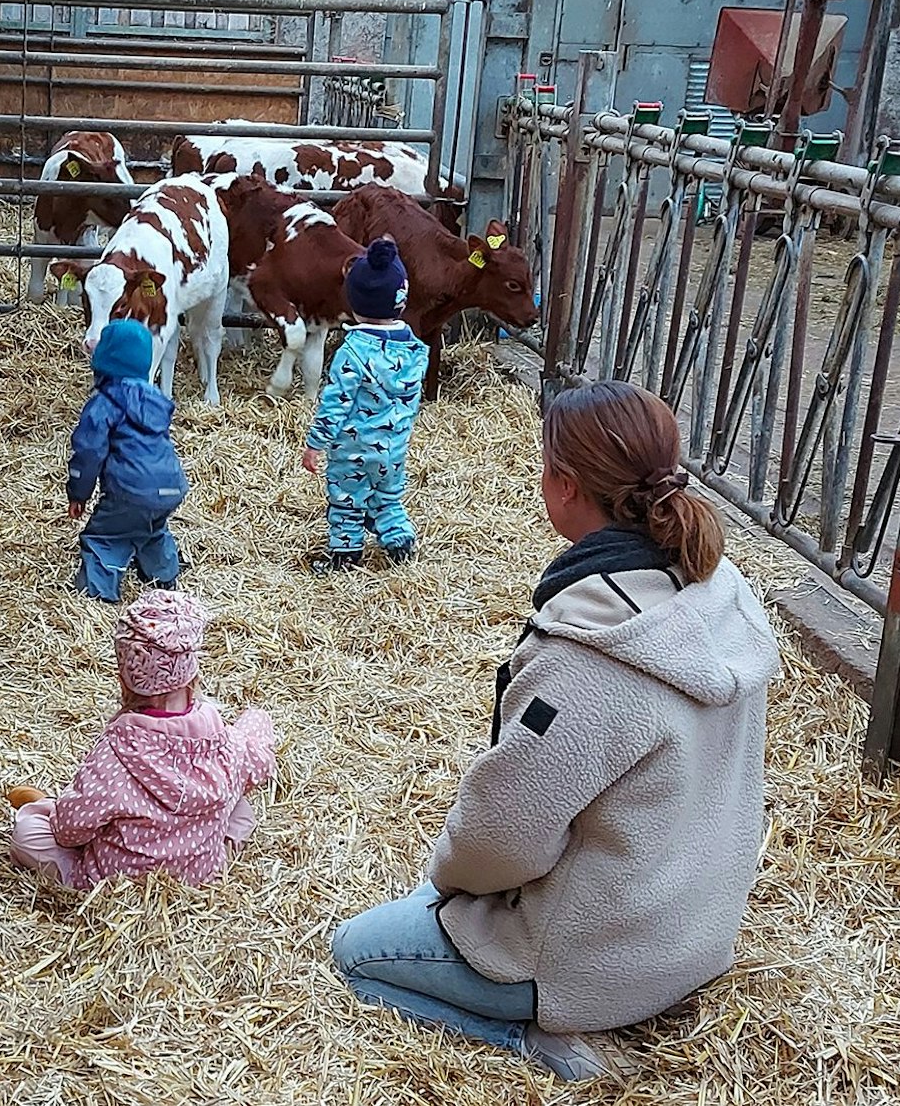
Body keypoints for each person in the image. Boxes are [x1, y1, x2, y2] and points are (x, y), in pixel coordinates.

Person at [326, 380, 780, 1081]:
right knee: (431, 900)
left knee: (356, 951)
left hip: (593, 962)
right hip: (697, 931)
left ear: (565, 486)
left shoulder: (588, 655)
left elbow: (501, 841)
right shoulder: (720, 590)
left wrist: (450, 879)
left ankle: (538, 1040)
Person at [6, 590, 276, 889]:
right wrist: (257, 718)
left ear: (124, 680)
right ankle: (202, 863)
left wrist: (58, 814)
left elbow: (68, 830)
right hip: (198, 870)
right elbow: (259, 762)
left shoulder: (115, 754)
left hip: (120, 882)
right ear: (192, 674)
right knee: (241, 810)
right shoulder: (226, 743)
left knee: (29, 836)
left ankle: (43, 805)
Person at [302, 237, 429, 570]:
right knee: (388, 499)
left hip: (353, 450)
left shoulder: (353, 352)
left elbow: (336, 404)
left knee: (347, 501)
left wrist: (315, 444)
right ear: (401, 300)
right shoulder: (415, 351)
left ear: (355, 302)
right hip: (394, 448)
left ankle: (345, 555)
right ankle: (400, 542)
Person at [68, 318, 189, 602]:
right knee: (151, 528)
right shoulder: (155, 398)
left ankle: (97, 594)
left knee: (105, 536)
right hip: (171, 487)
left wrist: (78, 492)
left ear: (105, 359)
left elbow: (88, 452)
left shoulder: (104, 403)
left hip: (132, 489)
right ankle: (165, 576)